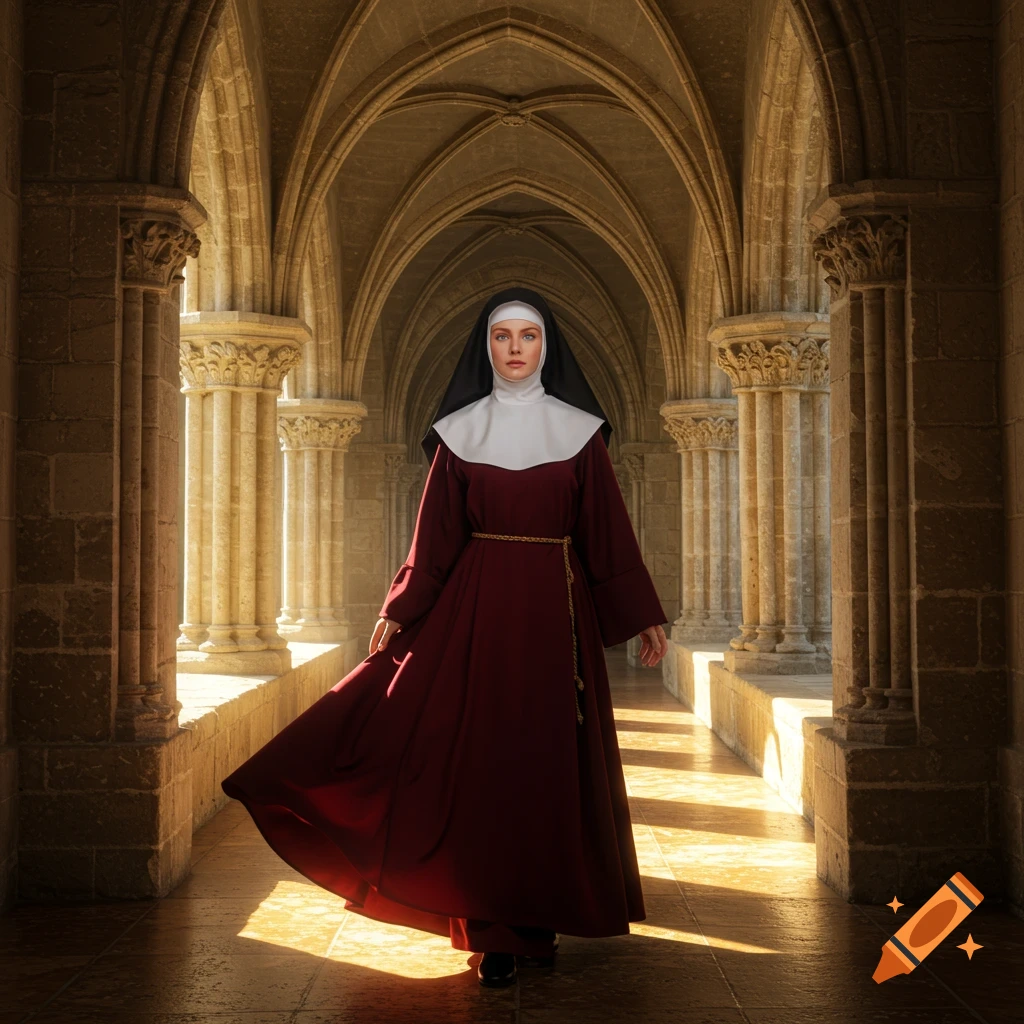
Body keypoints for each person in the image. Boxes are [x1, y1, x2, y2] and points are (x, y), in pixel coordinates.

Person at [221, 287, 669, 988]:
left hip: (557, 622)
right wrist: (400, 608)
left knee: (545, 767)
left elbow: (606, 533)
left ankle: (539, 919)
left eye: (527, 336)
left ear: (546, 347)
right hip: (476, 615)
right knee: (480, 765)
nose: (515, 348)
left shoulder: (581, 434)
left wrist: (641, 612)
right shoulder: (460, 434)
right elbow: (434, 538)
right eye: (502, 336)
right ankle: (493, 932)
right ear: (484, 348)